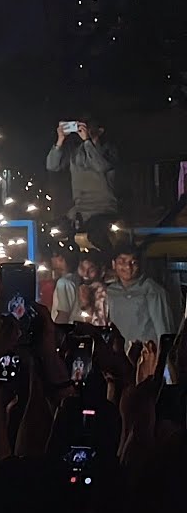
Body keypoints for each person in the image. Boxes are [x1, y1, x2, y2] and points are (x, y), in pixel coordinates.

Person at [46, 118, 117, 251]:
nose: (83, 130)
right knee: (53, 232)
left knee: (96, 236)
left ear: (99, 131)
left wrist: (87, 141)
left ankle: (110, 263)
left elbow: (100, 166)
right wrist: (60, 141)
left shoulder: (108, 150)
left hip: (103, 209)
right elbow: (52, 165)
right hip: (79, 210)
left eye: (87, 127)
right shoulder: (76, 152)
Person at [105, 247, 176, 345]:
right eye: (122, 262)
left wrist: (162, 357)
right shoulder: (110, 292)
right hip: (119, 356)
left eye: (133, 262)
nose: (128, 267)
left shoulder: (152, 290)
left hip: (145, 355)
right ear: (114, 264)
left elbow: (164, 331)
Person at [49, 247, 82, 324]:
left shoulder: (63, 283)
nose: (51, 259)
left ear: (61, 259)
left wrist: (55, 332)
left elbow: (63, 314)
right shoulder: (76, 279)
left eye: (54, 256)